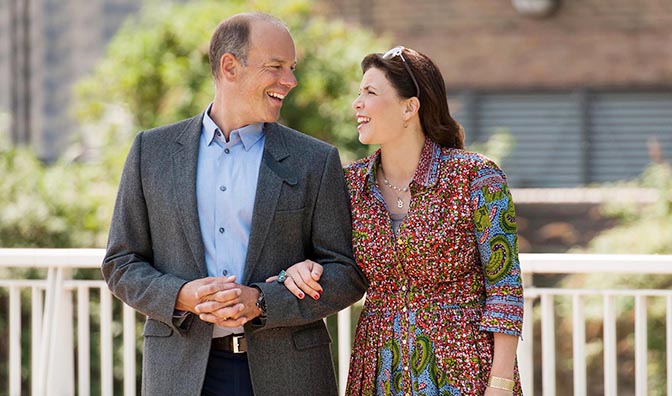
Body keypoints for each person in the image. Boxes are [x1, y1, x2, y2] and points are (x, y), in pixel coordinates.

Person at [101, 12, 368, 396]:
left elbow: (345, 273)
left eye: (291, 68)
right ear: (230, 67)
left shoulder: (315, 160)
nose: (290, 81)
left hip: (288, 375)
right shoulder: (152, 152)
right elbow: (121, 263)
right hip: (180, 374)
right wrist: (181, 296)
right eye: (275, 67)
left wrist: (262, 300)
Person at [274, 46, 524, 395]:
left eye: (370, 93)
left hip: (464, 371)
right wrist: (299, 268)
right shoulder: (348, 186)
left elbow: (505, 287)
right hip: (378, 370)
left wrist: (500, 383)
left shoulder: (476, 177)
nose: (356, 104)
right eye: (359, 93)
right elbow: (328, 260)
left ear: (410, 106)